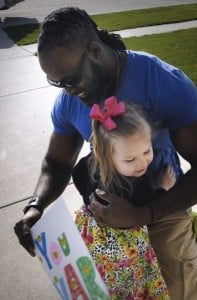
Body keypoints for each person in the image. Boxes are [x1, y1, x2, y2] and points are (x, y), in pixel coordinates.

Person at [13, 6, 197, 300]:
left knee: (177, 292)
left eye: (70, 79)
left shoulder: (162, 81)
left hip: (163, 208)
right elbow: (56, 163)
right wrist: (36, 206)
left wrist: (143, 213)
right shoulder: (69, 102)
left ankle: (195, 262)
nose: (67, 91)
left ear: (95, 52)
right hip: (108, 216)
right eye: (56, 82)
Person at [74, 97, 173, 299]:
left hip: (92, 239)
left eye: (146, 151)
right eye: (130, 159)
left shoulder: (91, 163)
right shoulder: (132, 186)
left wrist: (88, 199)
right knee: (130, 285)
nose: (142, 163)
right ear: (107, 156)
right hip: (123, 251)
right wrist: (163, 187)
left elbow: (76, 174)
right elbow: (150, 207)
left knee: (101, 282)